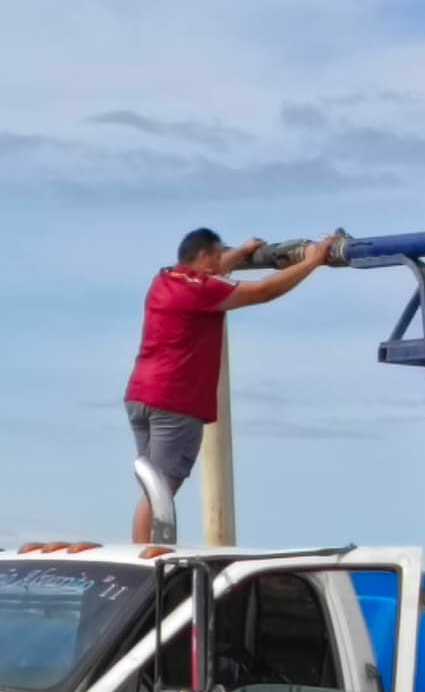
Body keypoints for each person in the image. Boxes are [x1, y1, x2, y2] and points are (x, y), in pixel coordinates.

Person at [125, 226, 341, 543]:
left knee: (152, 485)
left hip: (141, 395)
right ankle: (147, 559)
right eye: (217, 256)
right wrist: (312, 261)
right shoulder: (203, 291)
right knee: (163, 487)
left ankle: (142, 551)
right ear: (204, 257)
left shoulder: (164, 279)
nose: (220, 264)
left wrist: (240, 252)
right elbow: (263, 291)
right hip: (176, 400)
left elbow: (213, 274)